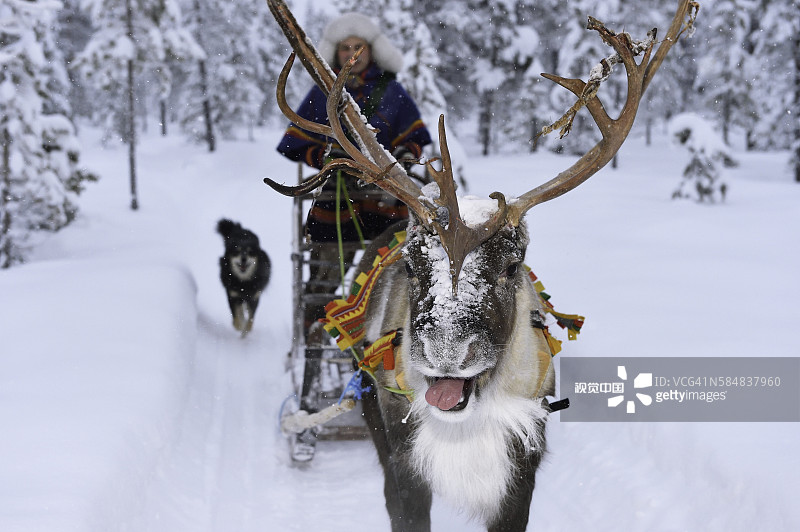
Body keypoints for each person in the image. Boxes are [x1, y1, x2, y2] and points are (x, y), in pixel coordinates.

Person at [277, 12, 432, 323]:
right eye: (346, 48)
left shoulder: (392, 92)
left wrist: (401, 154)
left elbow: (414, 138)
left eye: (358, 47)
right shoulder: (323, 92)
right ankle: (316, 325)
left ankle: (385, 324)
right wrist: (324, 157)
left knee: (392, 268)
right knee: (326, 272)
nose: (352, 55)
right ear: (336, 52)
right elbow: (295, 143)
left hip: (387, 199)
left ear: (372, 51)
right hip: (337, 200)